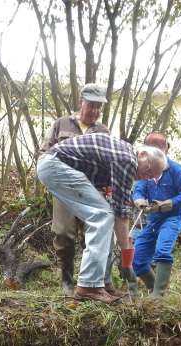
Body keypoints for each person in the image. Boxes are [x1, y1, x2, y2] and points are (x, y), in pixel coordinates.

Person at [37, 133, 167, 303]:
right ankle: (89, 286)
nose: (145, 177)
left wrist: (125, 249)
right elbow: (122, 214)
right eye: (148, 170)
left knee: (106, 217)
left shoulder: (123, 156)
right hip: (56, 165)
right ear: (142, 154)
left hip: (55, 166)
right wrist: (127, 258)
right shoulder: (128, 160)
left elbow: (119, 209)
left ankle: (103, 283)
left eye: (151, 177)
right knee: (102, 216)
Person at [40, 83, 111, 297]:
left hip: (93, 189)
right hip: (65, 188)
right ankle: (67, 279)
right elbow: (44, 154)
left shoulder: (103, 131)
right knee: (63, 234)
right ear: (81, 102)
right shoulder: (61, 124)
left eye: (99, 107)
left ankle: (95, 282)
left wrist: (108, 187)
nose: (95, 111)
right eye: (92, 106)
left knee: (98, 232)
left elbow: (108, 162)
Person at [131, 132, 181, 298]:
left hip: (172, 218)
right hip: (152, 221)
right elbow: (138, 189)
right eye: (152, 146)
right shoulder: (144, 169)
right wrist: (139, 200)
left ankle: (158, 294)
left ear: (166, 148)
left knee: (162, 250)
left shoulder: (176, 170)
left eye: (161, 146)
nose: (157, 149)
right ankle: (153, 288)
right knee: (137, 259)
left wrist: (169, 203)